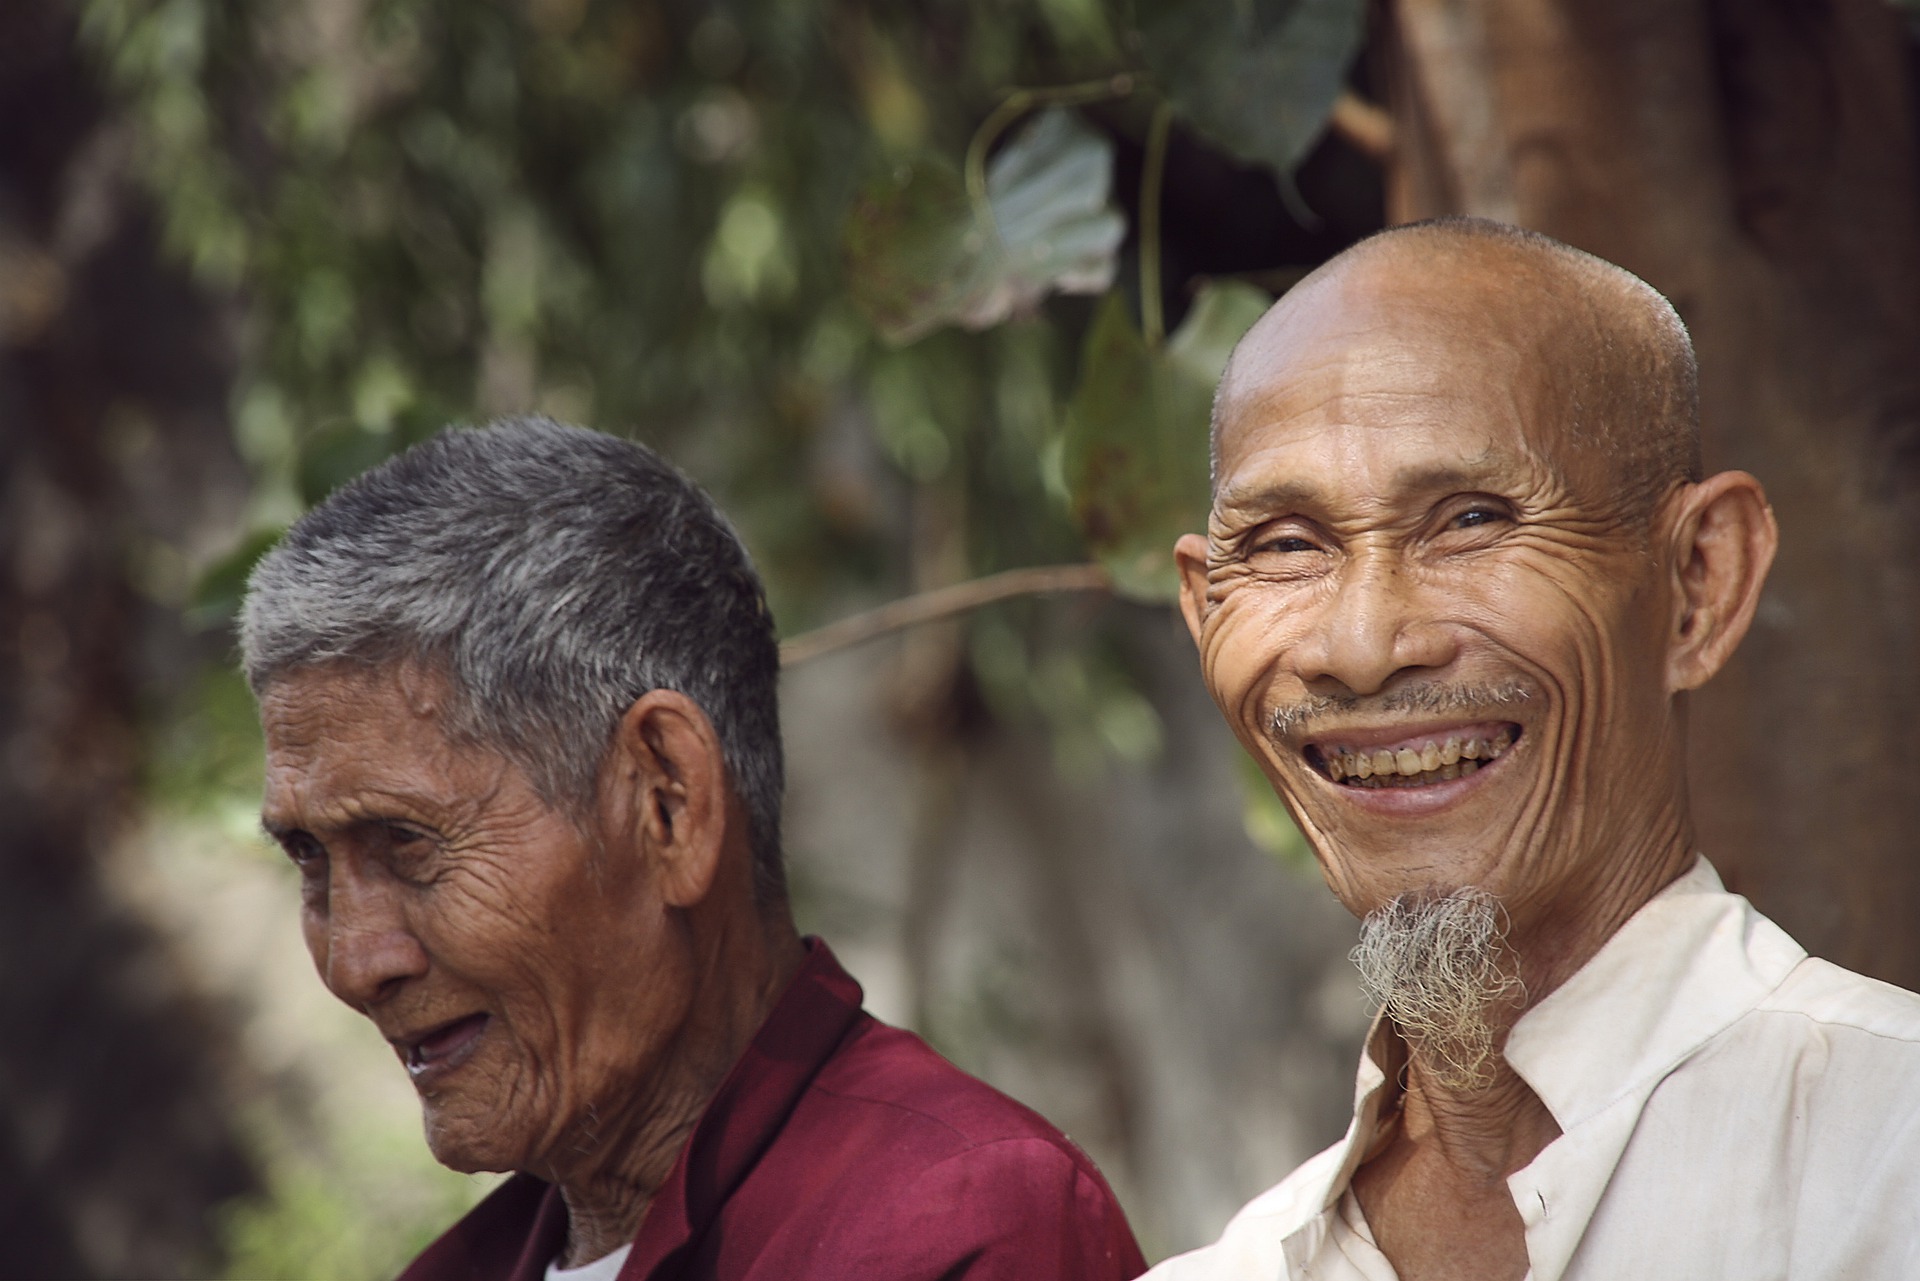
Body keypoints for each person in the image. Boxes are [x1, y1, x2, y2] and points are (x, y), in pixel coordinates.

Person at [1149, 218, 1920, 1280]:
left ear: (1697, 585)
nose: (1365, 648)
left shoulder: (1887, 1160)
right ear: (1204, 614)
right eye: (1287, 546)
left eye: (1470, 520)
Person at [241, 417, 1146, 1281]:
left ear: (666, 800)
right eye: (311, 861)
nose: (356, 962)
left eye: (405, 842)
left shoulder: (958, 1224)